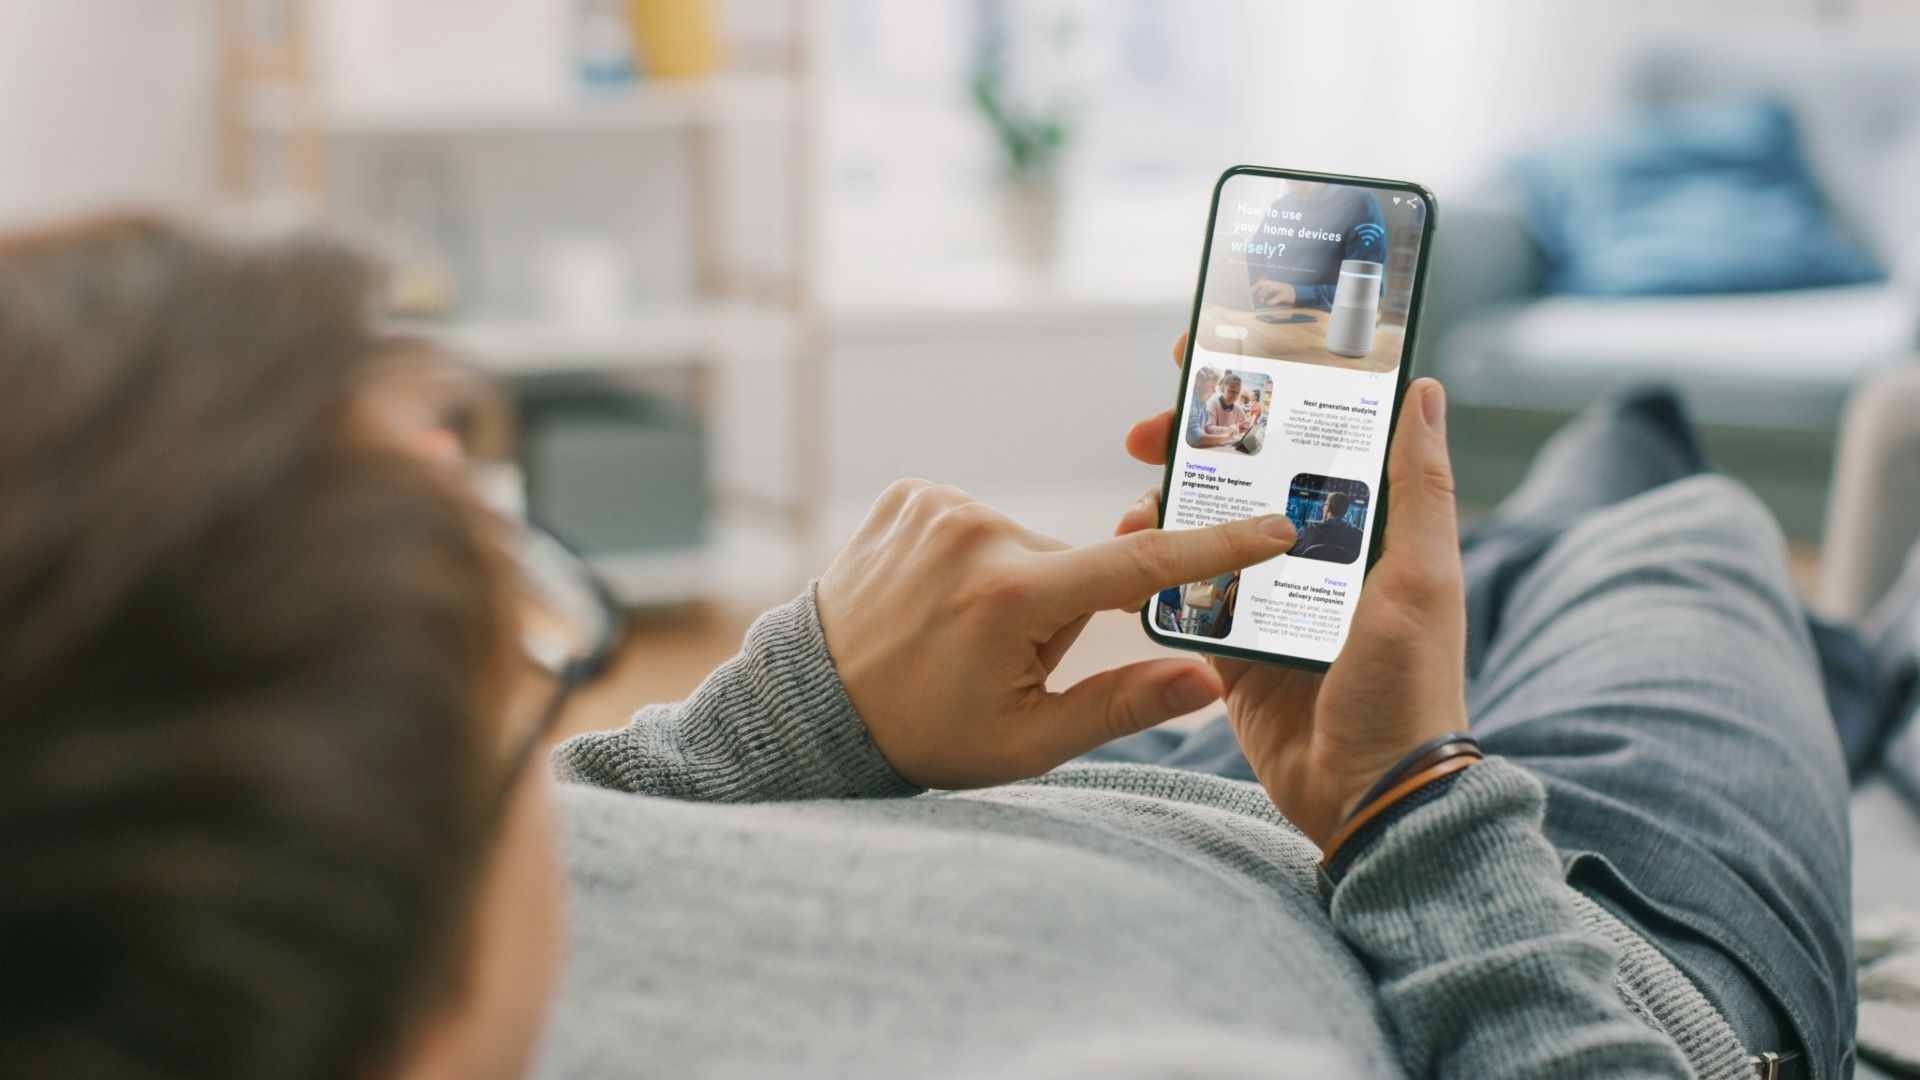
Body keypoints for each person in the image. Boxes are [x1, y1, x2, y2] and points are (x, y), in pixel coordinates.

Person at [0, 220, 1847, 1079]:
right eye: (508, 648)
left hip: (1145, 783)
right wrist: (1408, 795)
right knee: (1661, 513)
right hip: (1527, 916)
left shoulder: (195, 909)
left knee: (1471, 555)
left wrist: (814, 704)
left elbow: (589, 827)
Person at [1248, 181, 1388, 310]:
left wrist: (1297, 293)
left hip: (1321, 320)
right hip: (1268, 310)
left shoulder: (1360, 205)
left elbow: (1368, 291)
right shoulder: (1280, 206)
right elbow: (1254, 258)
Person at [1292, 489, 1364, 562]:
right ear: (1345, 511)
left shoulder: (1307, 528)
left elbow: (1295, 553)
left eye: (1325, 505)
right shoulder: (1358, 535)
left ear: (1328, 507)